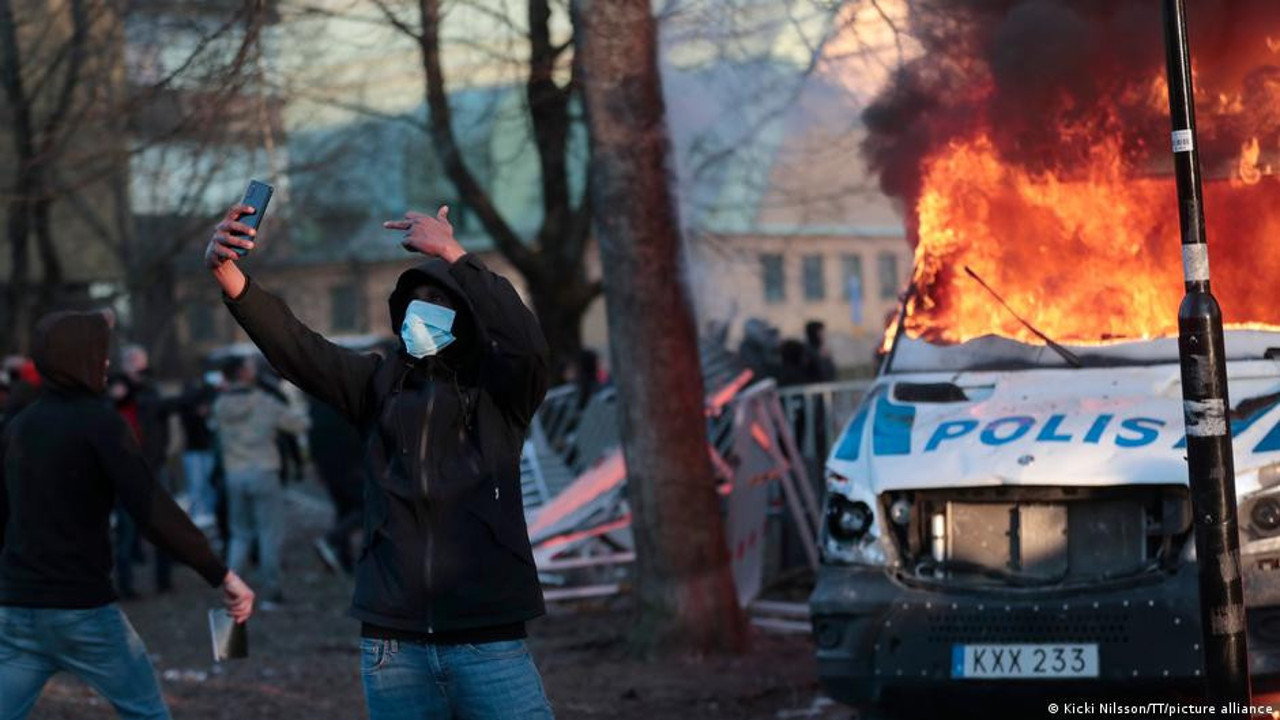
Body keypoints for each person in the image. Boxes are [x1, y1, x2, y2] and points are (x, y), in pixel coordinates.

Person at [205, 203, 555, 719]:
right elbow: (297, 347)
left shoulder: (500, 393)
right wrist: (228, 273)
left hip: (489, 641)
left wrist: (456, 255)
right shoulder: (377, 385)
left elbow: (527, 345)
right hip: (393, 646)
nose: (422, 311)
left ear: (467, 317)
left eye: (438, 301)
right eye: (414, 302)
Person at [0, 310, 254, 720]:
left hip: (16, 609)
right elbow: (152, 509)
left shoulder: (18, 426)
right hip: (83, 611)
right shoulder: (100, 423)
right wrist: (221, 574)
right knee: (147, 713)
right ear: (78, 358)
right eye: (100, 353)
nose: (106, 363)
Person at [213, 355, 309, 609]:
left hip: (235, 474)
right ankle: (272, 591)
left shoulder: (220, 404)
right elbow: (298, 424)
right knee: (269, 534)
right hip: (264, 471)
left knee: (239, 535)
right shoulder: (264, 402)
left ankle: (232, 590)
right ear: (242, 373)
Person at [178, 374, 221, 528]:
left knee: (207, 485)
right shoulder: (187, 412)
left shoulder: (209, 409)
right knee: (196, 485)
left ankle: (209, 514)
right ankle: (198, 515)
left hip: (204, 450)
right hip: (194, 451)